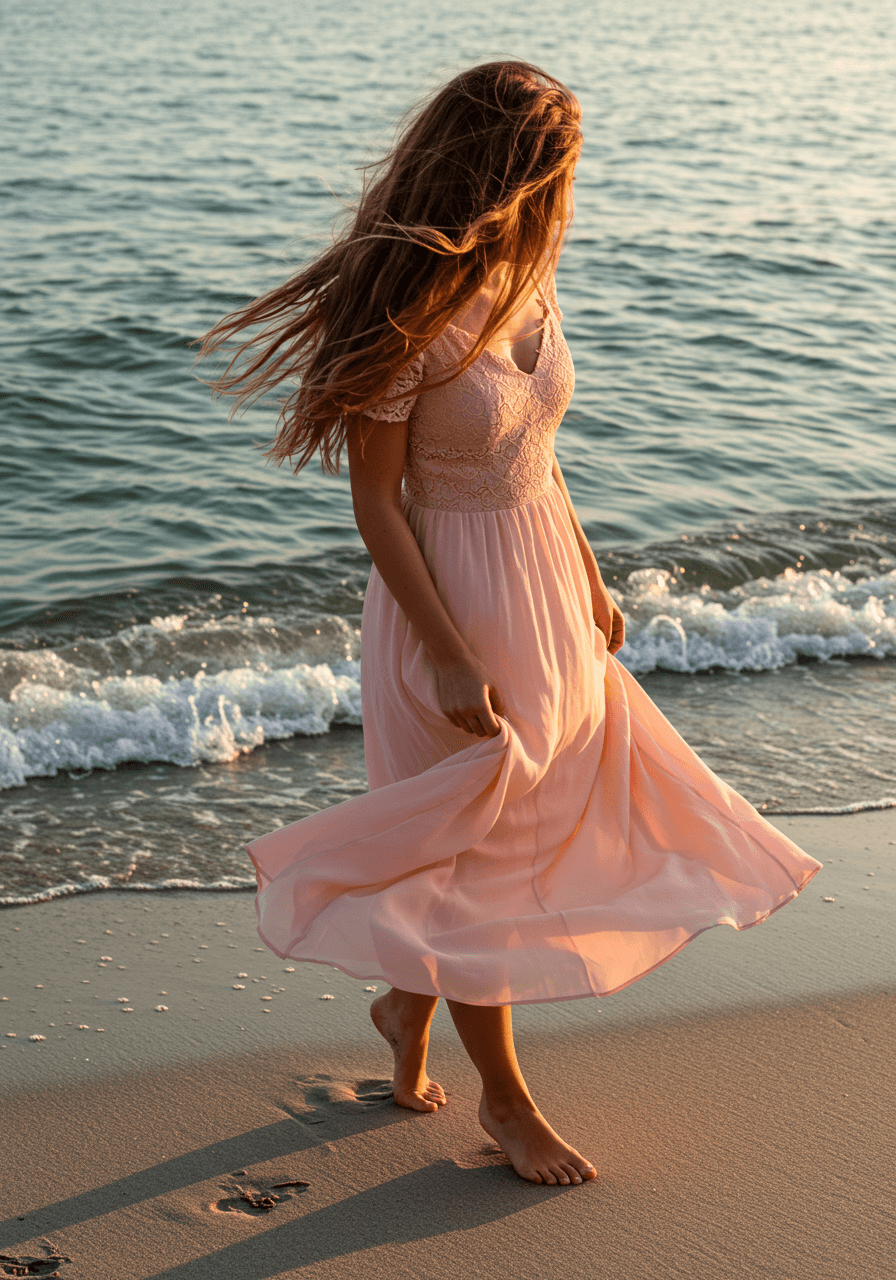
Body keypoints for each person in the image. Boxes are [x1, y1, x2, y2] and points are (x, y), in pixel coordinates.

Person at [197, 60, 822, 1187]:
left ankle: (404, 1005)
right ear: (501, 168)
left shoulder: (528, 277)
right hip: (451, 608)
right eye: (552, 169)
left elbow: (540, 451)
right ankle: (505, 1098)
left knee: (526, 830)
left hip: (541, 585)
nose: (564, 191)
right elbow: (375, 503)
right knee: (479, 851)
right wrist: (442, 646)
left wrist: (588, 575)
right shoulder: (410, 311)